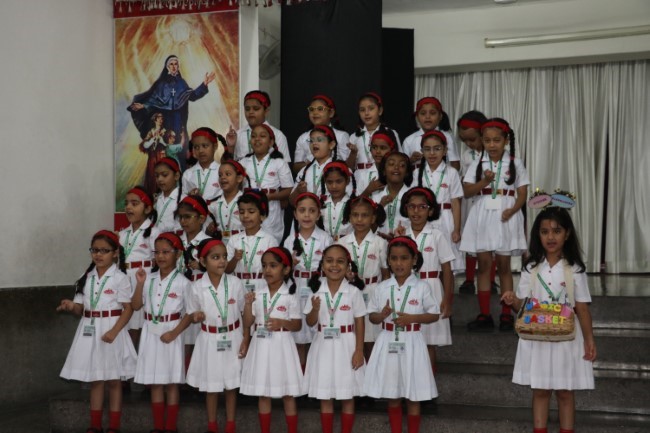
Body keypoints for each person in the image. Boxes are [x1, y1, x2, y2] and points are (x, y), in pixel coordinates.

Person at [501, 201, 596, 433]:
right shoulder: (531, 268)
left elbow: (582, 308)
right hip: (538, 338)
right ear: (538, 235)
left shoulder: (575, 269)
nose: (550, 237)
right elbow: (523, 307)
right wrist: (513, 300)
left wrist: (589, 339)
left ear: (567, 234)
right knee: (540, 390)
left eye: (556, 231)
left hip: (567, 339)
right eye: (544, 232)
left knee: (565, 392)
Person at [58, 230, 136, 433]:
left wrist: (114, 332)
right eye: (95, 250)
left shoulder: (120, 278)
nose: (98, 255)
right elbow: (80, 308)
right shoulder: (85, 278)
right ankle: (95, 425)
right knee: (96, 379)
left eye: (104, 250)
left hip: (112, 329)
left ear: (115, 253)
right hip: (90, 328)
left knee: (114, 380)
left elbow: (128, 309)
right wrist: (71, 306)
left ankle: (114, 426)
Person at [363, 236, 440, 433]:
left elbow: (434, 315)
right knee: (393, 395)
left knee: (413, 396)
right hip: (388, 341)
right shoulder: (382, 287)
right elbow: (372, 317)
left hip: (412, 342)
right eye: (394, 258)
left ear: (414, 260)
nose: (399, 263)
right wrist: (382, 315)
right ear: (388, 260)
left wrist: (413, 318)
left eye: (404, 258)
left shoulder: (422, 286)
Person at [460, 118, 529, 332]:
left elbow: (523, 193)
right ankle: (485, 314)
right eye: (487, 140)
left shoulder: (515, 163)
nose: (492, 145)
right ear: (482, 140)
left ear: (506, 140)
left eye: (496, 140)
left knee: (504, 265)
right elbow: (467, 191)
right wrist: (484, 182)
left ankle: (506, 314)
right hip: (483, 213)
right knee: (484, 265)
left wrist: (513, 210)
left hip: (506, 214)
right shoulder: (478, 163)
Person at [186, 238, 250, 433]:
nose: (222, 261)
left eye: (224, 256)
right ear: (203, 261)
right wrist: (196, 317)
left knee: (231, 386)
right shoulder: (197, 286)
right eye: (215, 257)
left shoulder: (235, 283)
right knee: (211, 386)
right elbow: (192, 314)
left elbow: (244, 314)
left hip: (233, 336)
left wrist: (246, 338)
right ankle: (212, 426)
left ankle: (230, 425)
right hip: (209, 339)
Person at [131, 232, 192, 433]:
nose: (161, 256)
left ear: (177, 254)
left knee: (171, 382)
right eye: (157, 252)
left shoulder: (183, 282)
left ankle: (170, 427)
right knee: (155, 382)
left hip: (171, 332)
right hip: (150, 331)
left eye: (166, 252)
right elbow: (136, 305)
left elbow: (190, 314)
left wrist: (174, 333)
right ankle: (158, 426)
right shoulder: (148, 278)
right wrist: (140, 284)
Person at [304, 244, 366, 433]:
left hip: (347, 345)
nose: (334, 266)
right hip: (322, 345)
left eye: (340, 262)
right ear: (322, 265)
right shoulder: (316, 291)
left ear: (348, 266)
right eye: (329, 261)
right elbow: (310, 322)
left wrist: (359, 350)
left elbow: (360, 322)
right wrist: (315, 309)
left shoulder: (354, 292)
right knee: (325, 395)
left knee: (347, 395)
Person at [240, 247, 303, 433]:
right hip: (261, 344)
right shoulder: (257, 294)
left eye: (273, 266)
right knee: (263, 393)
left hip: (282, 345)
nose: (267, 270)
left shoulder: (290, 295)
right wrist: (248, 305)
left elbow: (297, 325)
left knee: (288, 393)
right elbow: (248, 323)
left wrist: (282, 322)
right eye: (264, 265)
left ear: (286, 269)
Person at [399, 187, 455, 374]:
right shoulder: (402, 234)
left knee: (428, 342)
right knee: (408, 338)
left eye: (422, 207)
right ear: (406, 209)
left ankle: (428, 383)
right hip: (407, 287)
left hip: (432, 288)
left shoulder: (437, 235)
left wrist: (447, 300)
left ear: (430, 211)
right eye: (412, 206)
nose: (416, 211)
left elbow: (447, 269)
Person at [128, 55, 215, 170]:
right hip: (165, 121)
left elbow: (192, 96)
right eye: (171, 64)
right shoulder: (161, 83)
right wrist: (144, 105)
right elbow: (154, 100)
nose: (174, 66)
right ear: (167, 67)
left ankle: (181, 176)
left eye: (176, 64)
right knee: (165, 150)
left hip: (178, 121)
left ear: (178, 67)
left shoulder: (181, 83)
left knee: (181, 148)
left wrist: (204, 84)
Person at [284, 192, 333, 371]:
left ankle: (314, 374)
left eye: (312, 211)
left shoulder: (325, 238)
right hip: (296, 286)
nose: (306, 215)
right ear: (295, 214)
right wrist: (290, 265)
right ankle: (300, 375)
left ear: (319, 214)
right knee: (298, 335)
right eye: (302, 210)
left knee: (316, 332)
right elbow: (283, 270)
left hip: (317, 286)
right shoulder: (290, 240)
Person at [337, 196, 390, 360]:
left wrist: (384, 297)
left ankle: (372, 372)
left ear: (373, 218)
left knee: (371, 338)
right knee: (351, 336)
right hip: (349, 291)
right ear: (350, 217)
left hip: (373, 291)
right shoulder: (342, 242)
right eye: (355, 215)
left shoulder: (380, 243)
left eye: (365, 215)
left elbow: (386, 273)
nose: (359, 219)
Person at [455, 111, 498, 294]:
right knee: (470, 239)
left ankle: (490, 279)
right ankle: (469, 279)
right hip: (471, 202)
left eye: (472, 139)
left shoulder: (496, 154)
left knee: (490, 240)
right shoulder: (467, 156)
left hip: (490, 202)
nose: (468, 144)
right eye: (464, 140)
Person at [413, 130, 464, 272]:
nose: (432, 153)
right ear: (422, 151)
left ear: (445, 150)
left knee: (447, 261)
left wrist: (456, 229)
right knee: (427, 257)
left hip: (446, 218)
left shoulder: (451, 172)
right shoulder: (417, 173)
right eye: (427, 149)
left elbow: (455, 203)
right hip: (424, 219)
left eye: (437, 149)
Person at [239, 124, 294, 243]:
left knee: (269, 243)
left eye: (262, 136)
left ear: (271, 142)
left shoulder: (279, 162)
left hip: (271, 209)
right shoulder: (243, 162)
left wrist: (271, 197)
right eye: (253, 136)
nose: (257, 139)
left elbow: (289, 189)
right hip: (248, 208)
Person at [120, 186, 159, 345]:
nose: (129, 207)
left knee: (140, 322)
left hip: (143, 280)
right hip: (125, 279)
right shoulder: (123, 234)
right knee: (127, 324)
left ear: (147, 208)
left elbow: (159, 260)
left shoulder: (154, 232)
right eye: (126, 203)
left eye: (134, 204)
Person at [225, 190, 278, 294]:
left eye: (251, 212)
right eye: (241, 212)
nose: (245, 216)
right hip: (238, 286)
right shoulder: (234, 239)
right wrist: (235, 259)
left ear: (262, 215)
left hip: (262, 285)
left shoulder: (270, 240)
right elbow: (227, 270)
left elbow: (275, 269)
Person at [225, 90, 292, 165]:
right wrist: (230, 147)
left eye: (256, 108)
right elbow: (228, 167)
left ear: (266, 111)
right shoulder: (238, 135)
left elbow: (285, 167)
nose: (251, 112)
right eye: (247, 109)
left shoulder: (278, 135)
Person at [293, 94, 350, 174]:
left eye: (320, 109)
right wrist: (314, 164)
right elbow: (296, 167)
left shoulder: (341, 136)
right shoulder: (303, 138)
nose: (315, 112)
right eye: (311, 109)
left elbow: (347, 165)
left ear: (331, 113)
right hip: (310, 178)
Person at [347, 92, 402, 172]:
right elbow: (348, 168)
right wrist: (353, 153)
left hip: (382, 174)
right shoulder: (354, 136)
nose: (366, 113)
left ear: (380, 111)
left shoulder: (390, 133)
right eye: (362, 110)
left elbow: (399, 159)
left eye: (371, 108)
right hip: (359, 176)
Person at [402, 97, 460, 170]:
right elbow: (402, 165)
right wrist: (411, 160)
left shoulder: (447, 137)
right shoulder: (409, 140)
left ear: (440, 116)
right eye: (423, 113)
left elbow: (454, 163)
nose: (427, 117)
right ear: (417, 117)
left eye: (432, 113)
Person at [290, 125, 340, 204]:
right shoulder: (304, 170)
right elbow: (292, 202)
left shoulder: (340, 169)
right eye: (311, 141)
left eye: (319, 140)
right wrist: (298, 191)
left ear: (331, 145)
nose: (314, 143)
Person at [370, 152, 413, 238]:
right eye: (391, 164)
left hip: (404, 242)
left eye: (402, 165)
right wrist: (380, 207)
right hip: (379, 243)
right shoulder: (375, 197)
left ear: (407, 173)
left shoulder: (413, 197)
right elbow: (370, 228)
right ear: (383, 171)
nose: (396, 167)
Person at [208, 160, 249, 246]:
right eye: (220, 175)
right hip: (220, 245)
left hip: (242, 244)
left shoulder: (247, 202)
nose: (223, 177)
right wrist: (209, 229)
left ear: (239, 178)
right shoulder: (213, 204)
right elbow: (207, 231)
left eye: (228, 174)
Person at [182, 128, 222, 203]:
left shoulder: (222, 171)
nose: (201, 151)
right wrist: (189, 196)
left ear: (215, 146)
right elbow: (183, 200)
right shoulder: (188, 174)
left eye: (205, 146)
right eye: (196, 147)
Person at [320, 161, 356, 241]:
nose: (334, 186)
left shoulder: (354, 205)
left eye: (339, 181)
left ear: (347, 181)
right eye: (329, 182)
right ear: (325, 182)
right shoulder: (321, 204)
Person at [356, 129, 398, 197]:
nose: (378, 151)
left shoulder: (399, 173)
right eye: (374, 147)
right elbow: (356, 202)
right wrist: (368, 191)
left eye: (383, 148)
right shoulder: (364, 175)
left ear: (392, 150)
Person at [139, 112, 167, 196]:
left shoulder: (164, 131)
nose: (160, 120)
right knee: (151, 175)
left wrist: (162, 141)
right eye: (159, 118)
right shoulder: (151, 132)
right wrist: (152, 140)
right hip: (152, 157)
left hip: (161, 156)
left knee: (162, 175)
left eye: (162, 118)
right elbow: (144, 145)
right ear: (155, 120)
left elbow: (168, 145)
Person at [153, 157, 183, 233]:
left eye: (164, 175)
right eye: (157, 176)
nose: (159, 179)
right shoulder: (156, 199)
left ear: (176, 176)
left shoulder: (183, 200)